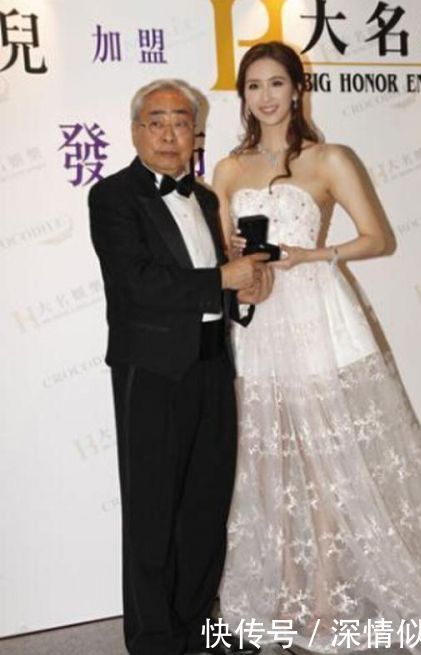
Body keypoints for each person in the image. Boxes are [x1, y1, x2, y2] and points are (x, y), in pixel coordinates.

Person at [213, 42, 421, 654]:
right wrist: (239, 264)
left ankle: (322, 603)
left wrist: (311, 255)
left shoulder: (328, 158)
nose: (265, 97)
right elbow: (222, 250)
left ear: (297, 89)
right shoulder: (228, 169)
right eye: (253, 86)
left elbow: (377, 238)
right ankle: (285, 595)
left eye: (276, 83)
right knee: (268, 459)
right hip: (258, 320)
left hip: (316, 315)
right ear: (243, 97)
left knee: (325, 460)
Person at [88, 79, 271, 655]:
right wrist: (220, 278)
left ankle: (197, 628)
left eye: (181, 123)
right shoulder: (112, 197)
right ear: (136, 131)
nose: (170, 134)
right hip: (151, 370)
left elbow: (213, 286)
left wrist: (241, 291)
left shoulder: (207, 199)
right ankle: (154, 640)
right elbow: (136, 283)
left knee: (205, 506)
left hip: (212, 364)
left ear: (196, 133)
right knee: (152, 510)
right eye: (157, 122)